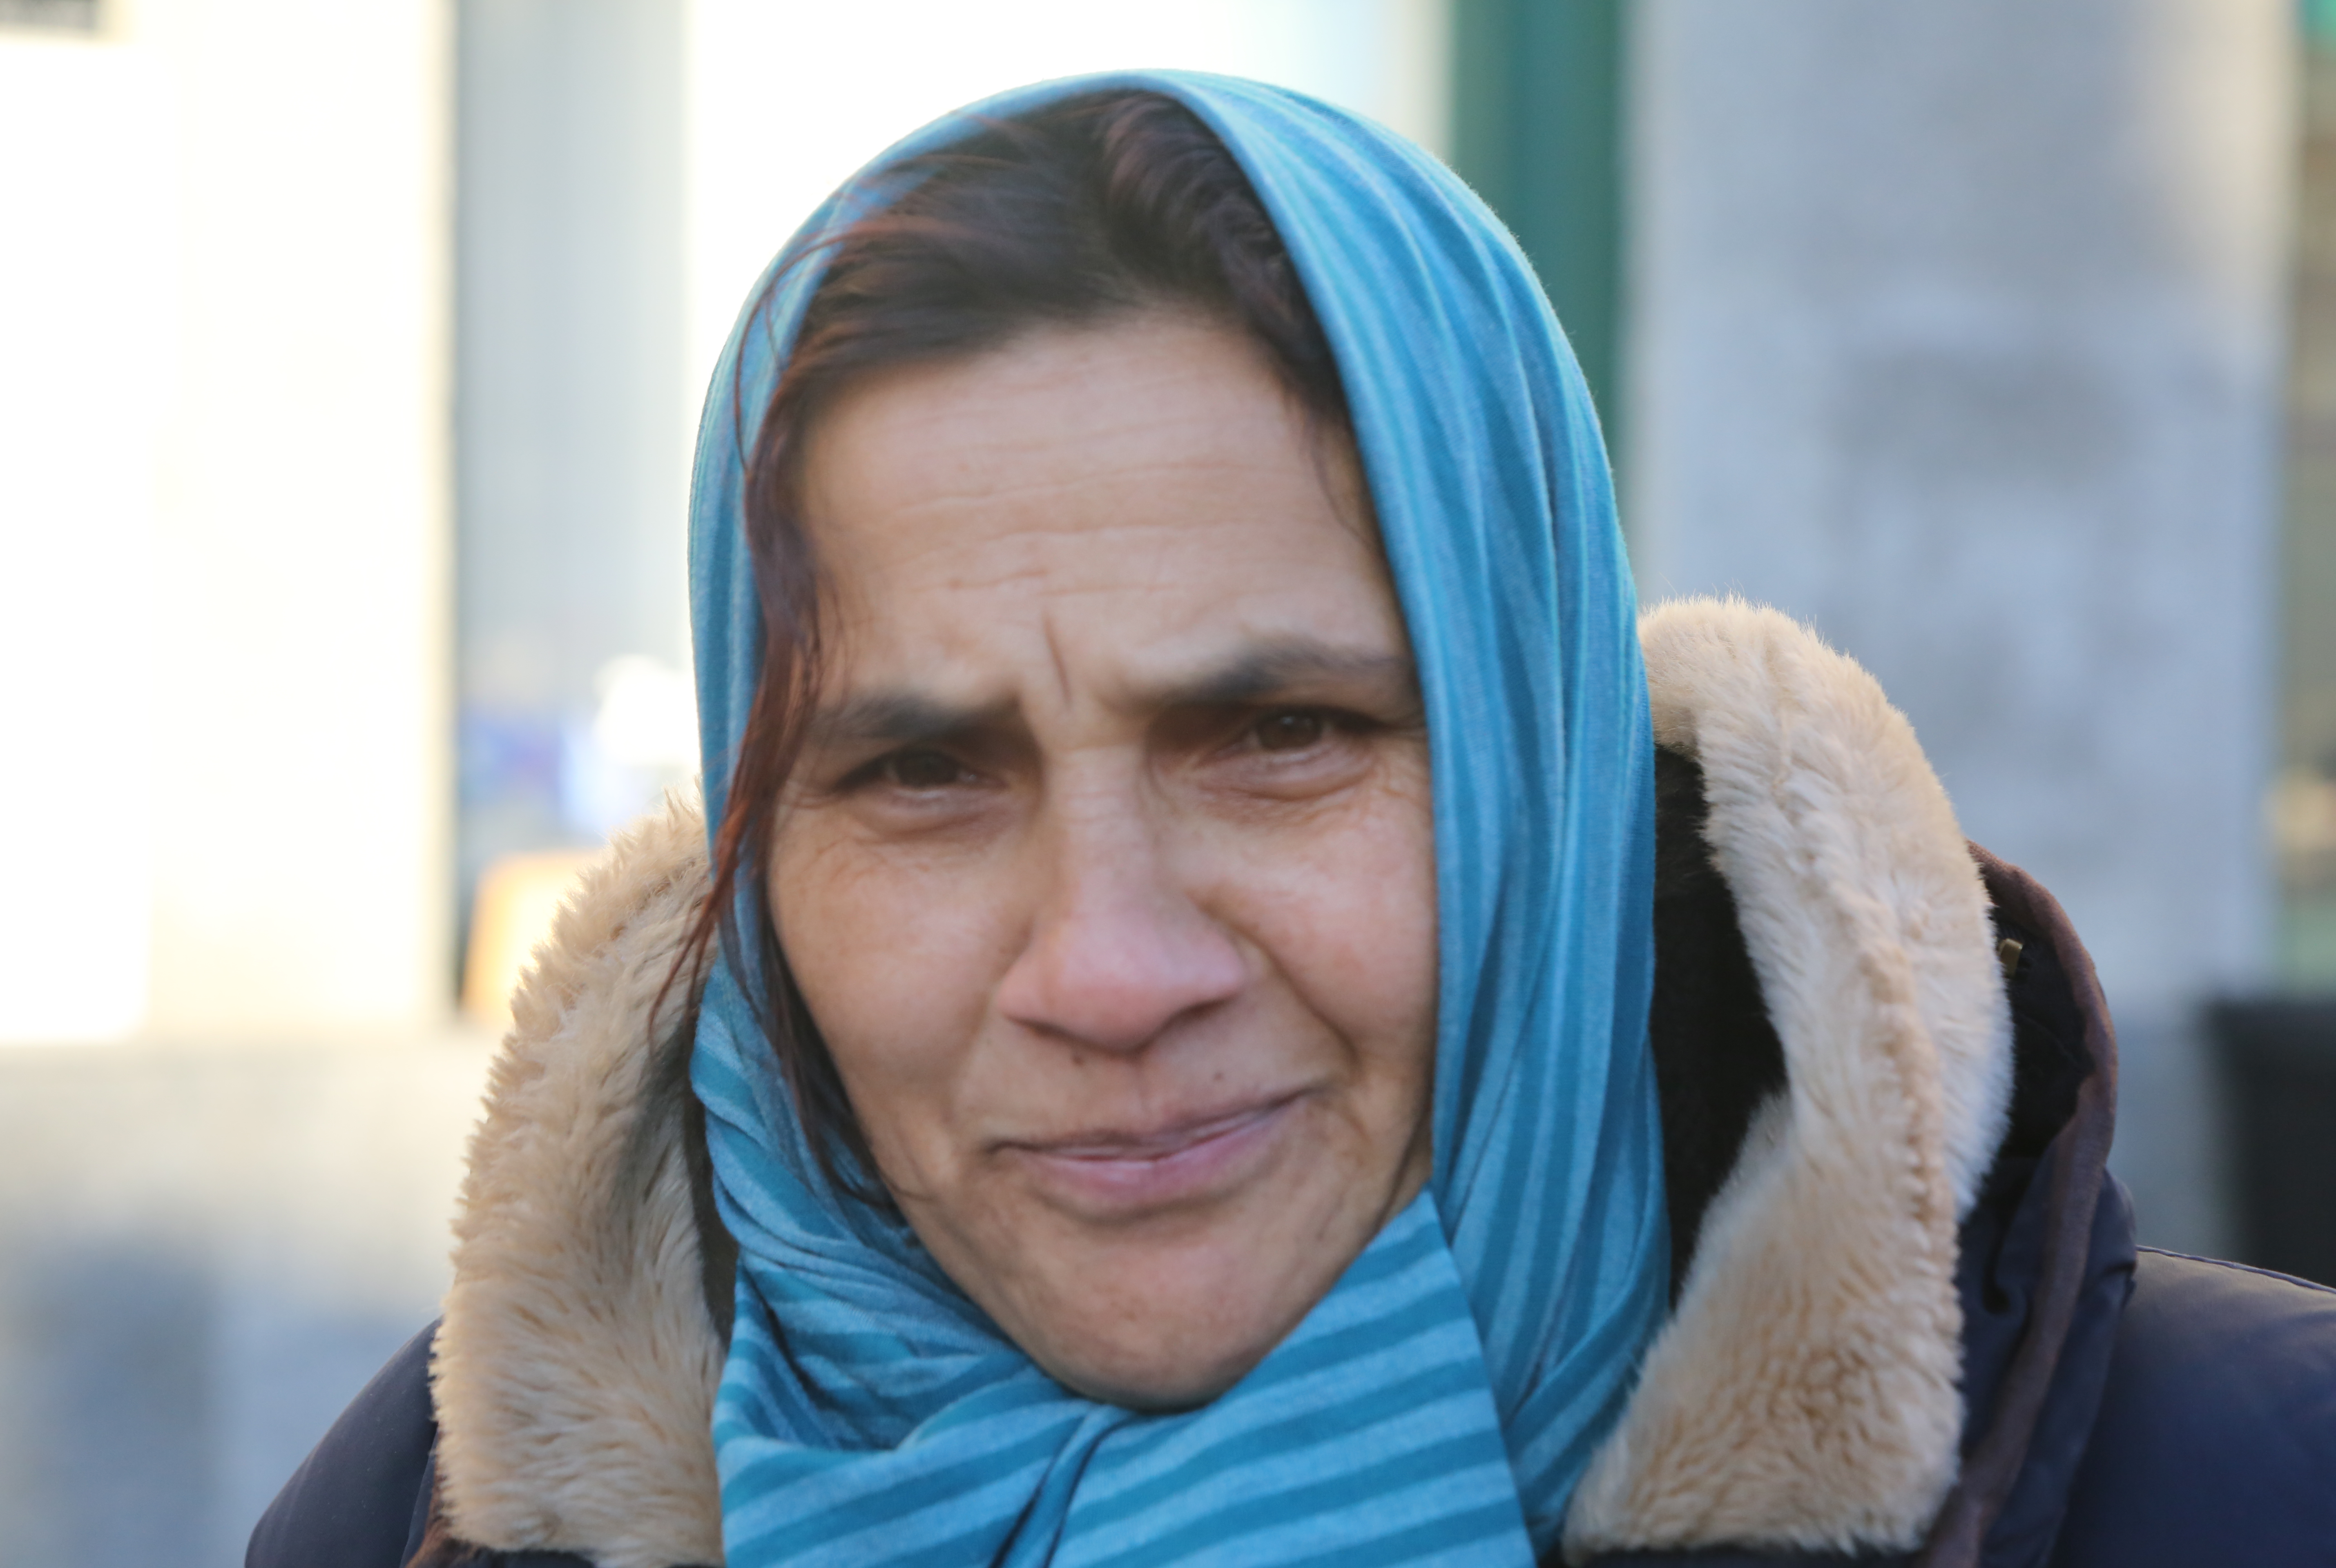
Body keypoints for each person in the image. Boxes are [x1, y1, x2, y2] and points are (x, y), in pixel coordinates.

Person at [249, 74, 2336, 1568]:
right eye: (922, 775)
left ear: (1539, 775)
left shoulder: (2256, 1491)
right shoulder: (421, 1516)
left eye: (1278, 734)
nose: (1108, 971)